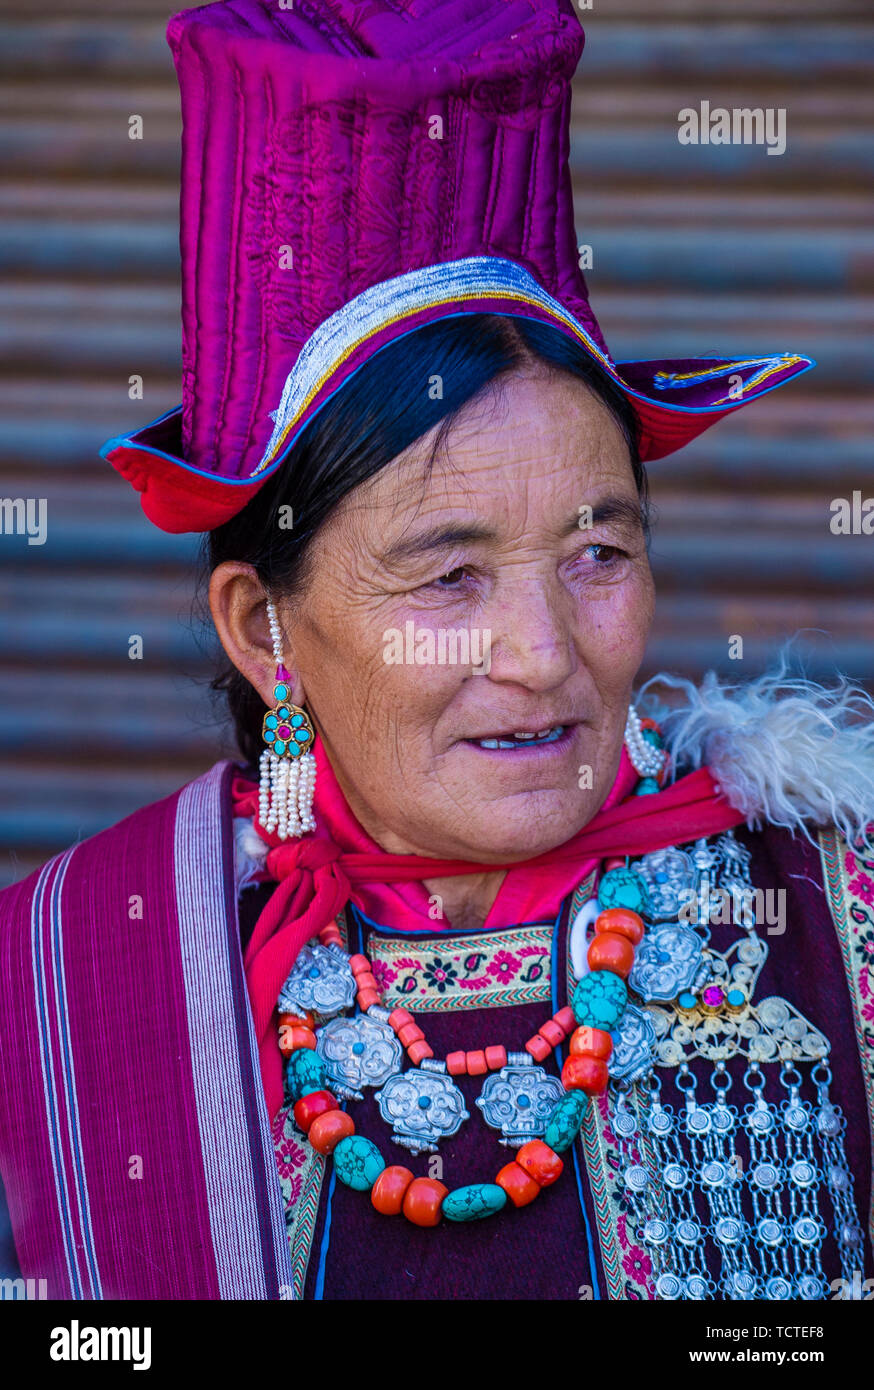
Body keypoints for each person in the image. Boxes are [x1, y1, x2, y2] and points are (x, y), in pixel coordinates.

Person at [0, 0, 871, 1302]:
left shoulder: (831, 918)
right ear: (264, 625)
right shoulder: (66, 986)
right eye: (449, 574)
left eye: (598, 553)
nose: (539, 653)